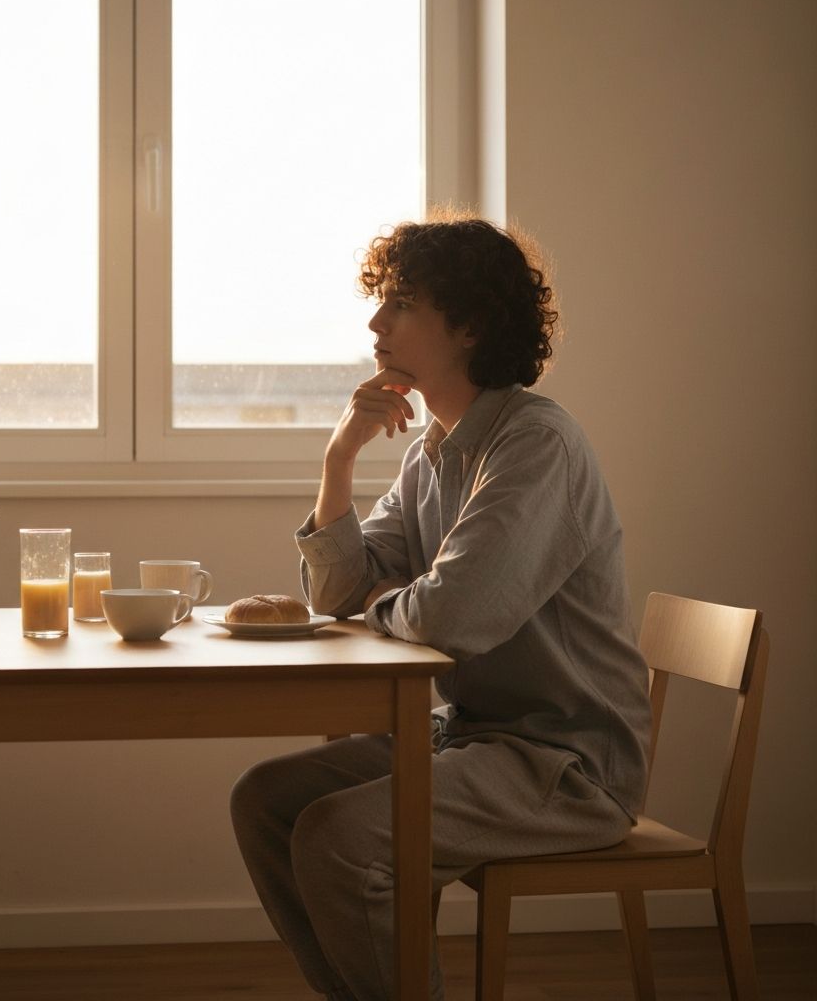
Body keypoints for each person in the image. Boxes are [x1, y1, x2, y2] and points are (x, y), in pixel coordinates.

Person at [230, 213, 652, 1001]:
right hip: (471, 739)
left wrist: (385, 604)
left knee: (339, 838)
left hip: (564, 765)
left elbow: (453, 617)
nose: (374, 323)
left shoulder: (535, 446)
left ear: (469, 324)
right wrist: (338, 458)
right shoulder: (435, 453)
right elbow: (341, 591)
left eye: (401, 304)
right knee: (266, 802)